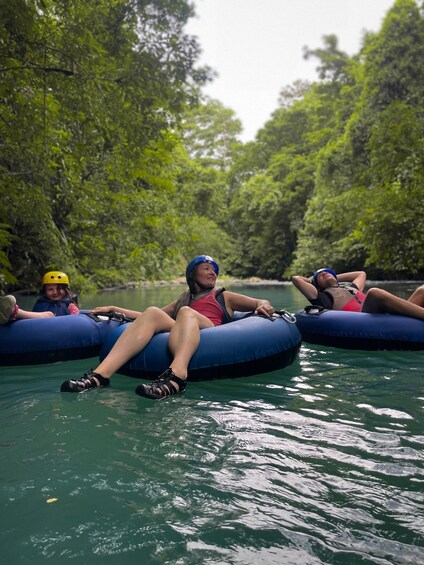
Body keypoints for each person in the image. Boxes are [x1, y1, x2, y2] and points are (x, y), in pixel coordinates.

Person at [60, 255, 276, 400]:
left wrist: (263, 306)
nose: (213, 273)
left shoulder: (223, 296)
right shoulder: (184, 300)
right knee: (154, 311)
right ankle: (99, 376)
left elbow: (258, 302)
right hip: (182, 330)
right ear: (193, 275)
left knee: (185, 313)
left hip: (210, 331)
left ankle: (177, 377)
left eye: (214, 270)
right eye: (206, 269)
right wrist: (114, 308)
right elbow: (146, 317)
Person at [292, 268, 424, 320]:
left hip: (383, 315)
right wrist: (312, 279)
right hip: (365, 317)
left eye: (326, 272)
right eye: (320, 276)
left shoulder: (352, 287)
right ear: (316, 286)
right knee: (374, 293)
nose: (324, 274)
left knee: (422, 290)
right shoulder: (321, 297)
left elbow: (361, 273)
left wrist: (332, 276)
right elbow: (296, 279)